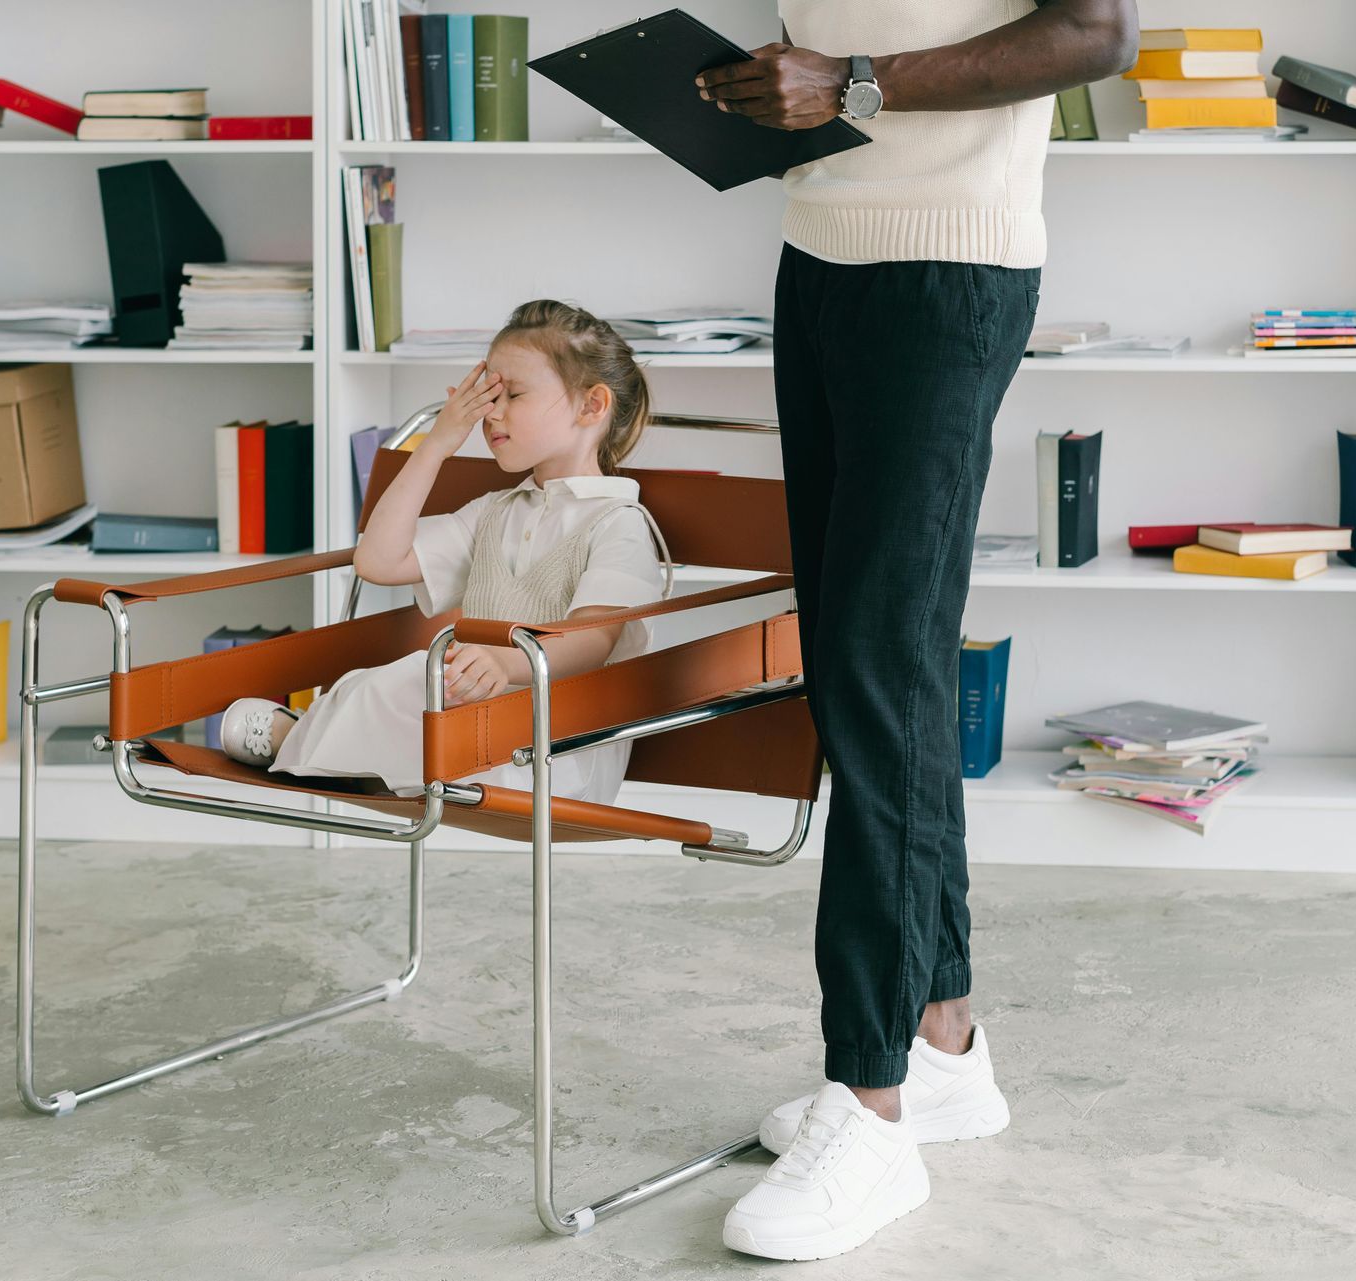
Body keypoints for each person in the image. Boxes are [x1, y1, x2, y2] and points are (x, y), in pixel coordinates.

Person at [695, 0, 1139, 1262]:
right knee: (861, 659)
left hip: (950, 271)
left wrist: (852, 81)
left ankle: (870, 1106)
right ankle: (940, 1046)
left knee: (876, 670)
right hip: (819, 253)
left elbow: (1101, 32)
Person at [215, 300, 674, 804]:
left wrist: (508, 665)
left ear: (592, 406)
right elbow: (378, 561)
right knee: (385, 685)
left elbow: (592, 642)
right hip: (469, 722)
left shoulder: (619, 524)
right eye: (487, 395)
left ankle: (296, 740)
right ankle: (321, 745)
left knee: (407, 684)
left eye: (513, 394)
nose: (491, 413)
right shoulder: (496, 511)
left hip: (557, 746)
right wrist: (437, 443)